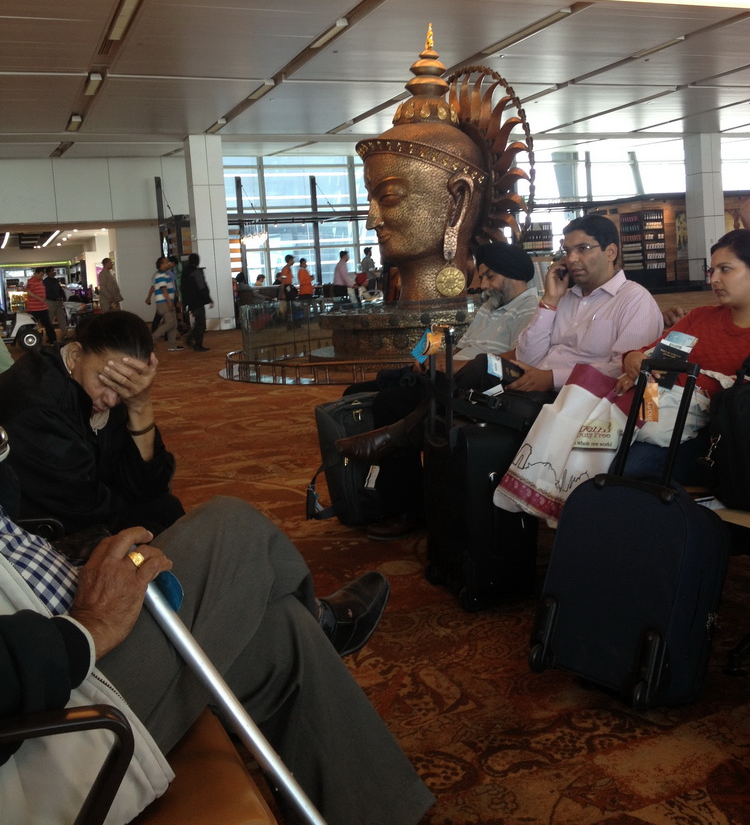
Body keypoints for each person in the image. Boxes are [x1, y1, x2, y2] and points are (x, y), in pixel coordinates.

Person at [0, 438, 431, 825]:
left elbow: (142, 489)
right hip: (49, 725)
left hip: (55, 650)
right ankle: (324, 622)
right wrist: (90, 627)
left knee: (279, 634)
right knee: (232, 524)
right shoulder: (39, 399)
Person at [336, 243, 539, 539]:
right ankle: (369, 497)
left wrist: (452, 365)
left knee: (391, 404)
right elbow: (461, 344)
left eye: (490, 276)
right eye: (482, 276)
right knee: (355, 392)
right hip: (451, 372)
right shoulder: (490, 306)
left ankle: (407, 508)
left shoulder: (532, 309)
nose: (482, 284)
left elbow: (516, 357)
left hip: (475, 385)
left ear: (513, 275)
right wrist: (432, 357)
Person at [356, 29, 530, 304]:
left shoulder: (498, 316)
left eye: (388, 197)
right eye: (371, 199)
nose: (372, 221)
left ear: (458, 203)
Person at [0, 310, 184, 535]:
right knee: (161, 524)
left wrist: (140, 405)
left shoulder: (96, 382)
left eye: (123, 387)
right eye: (104, 381)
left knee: (167, 509)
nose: (111, 400)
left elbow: (150, 485)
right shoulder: (40, 408)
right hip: (43, 527)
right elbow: (85, 506)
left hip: (86, 501)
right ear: (75, 355)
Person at [616, 228, 750, 484]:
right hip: (663, 421)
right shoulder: (700, 318)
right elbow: (655, 360)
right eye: (711, 271)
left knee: (632, 466)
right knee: (611, 452)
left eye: (725, 269)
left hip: (724, 439)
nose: (714, 280)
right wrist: (633, 358)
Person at [504, 213, 665, 393]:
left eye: (583, 248)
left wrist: (552, 379)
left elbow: (624, 370)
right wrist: (550, 300)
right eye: (567, 251)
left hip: (584, 400)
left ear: (610, 252)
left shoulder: (634, 299)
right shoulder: (562, 298)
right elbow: (526, 359)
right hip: (531, 390)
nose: (571, 259)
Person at [181, 253, 213, 352]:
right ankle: (197, 344)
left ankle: (191, 340)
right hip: (198, 302)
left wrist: (185, 303)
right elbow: (202, 287)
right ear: (197, 261)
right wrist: (208, 300)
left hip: (190, 302)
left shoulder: (184, 273)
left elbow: (183, 289)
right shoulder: (196, 272)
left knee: (198, 323)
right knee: (201, 324)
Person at [150, 257, 183, 352]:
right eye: (166, 262)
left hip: (167, 302)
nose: (168, 263)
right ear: (161, 264)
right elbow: (163, 290)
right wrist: (170, 302)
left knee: (174, 323)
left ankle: (172, 345)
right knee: (170, 323)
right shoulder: (159, 275)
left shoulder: (166, 274)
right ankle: (152, 338)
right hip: (164, 303)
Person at [25, 267, 56, 345]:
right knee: (32, 325)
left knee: (48, 324)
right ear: (36, 273)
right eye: (40, 275)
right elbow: (28, 291)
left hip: (42, 307)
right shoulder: (31, 281)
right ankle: (33, 341)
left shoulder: (40, 281)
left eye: (42, 275)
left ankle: (52, 340)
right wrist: (39, 298)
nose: (41, 277)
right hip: (34, 308)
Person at [43, 267, 68, 336]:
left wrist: (63, 297)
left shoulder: (55, 280)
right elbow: (47, 293)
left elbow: (60, 290)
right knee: (50, 320)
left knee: (62, 319)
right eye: (52, 271)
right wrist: (58, 297)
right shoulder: (46, 282)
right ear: (48, 273)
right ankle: (50, 336)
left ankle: (64, 334)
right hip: (50, 302)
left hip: (57, 302)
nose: (54, 272)